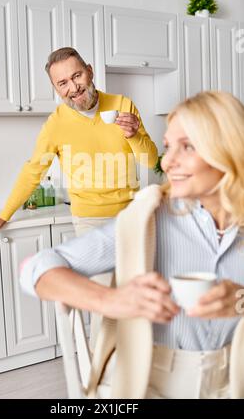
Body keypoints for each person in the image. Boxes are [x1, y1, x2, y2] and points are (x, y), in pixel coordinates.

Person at [20, 91, 244, 399]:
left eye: (188, 146)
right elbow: (35, 269)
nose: (168, 162)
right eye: (168, 147)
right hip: (151, 383)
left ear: (229, 149)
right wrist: (109, 300)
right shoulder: (149, 220)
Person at [0, 47, 158, 238]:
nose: (74, 87)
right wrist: (3, 216)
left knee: (137, 268)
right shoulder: (56, 123)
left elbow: (150, 161)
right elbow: (33, 171)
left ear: (90, 72)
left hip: (131, 215)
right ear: (57, 89)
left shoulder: (123, 105)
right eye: (63, 83)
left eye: (77, 75)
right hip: (88, 222)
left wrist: (133, 136)